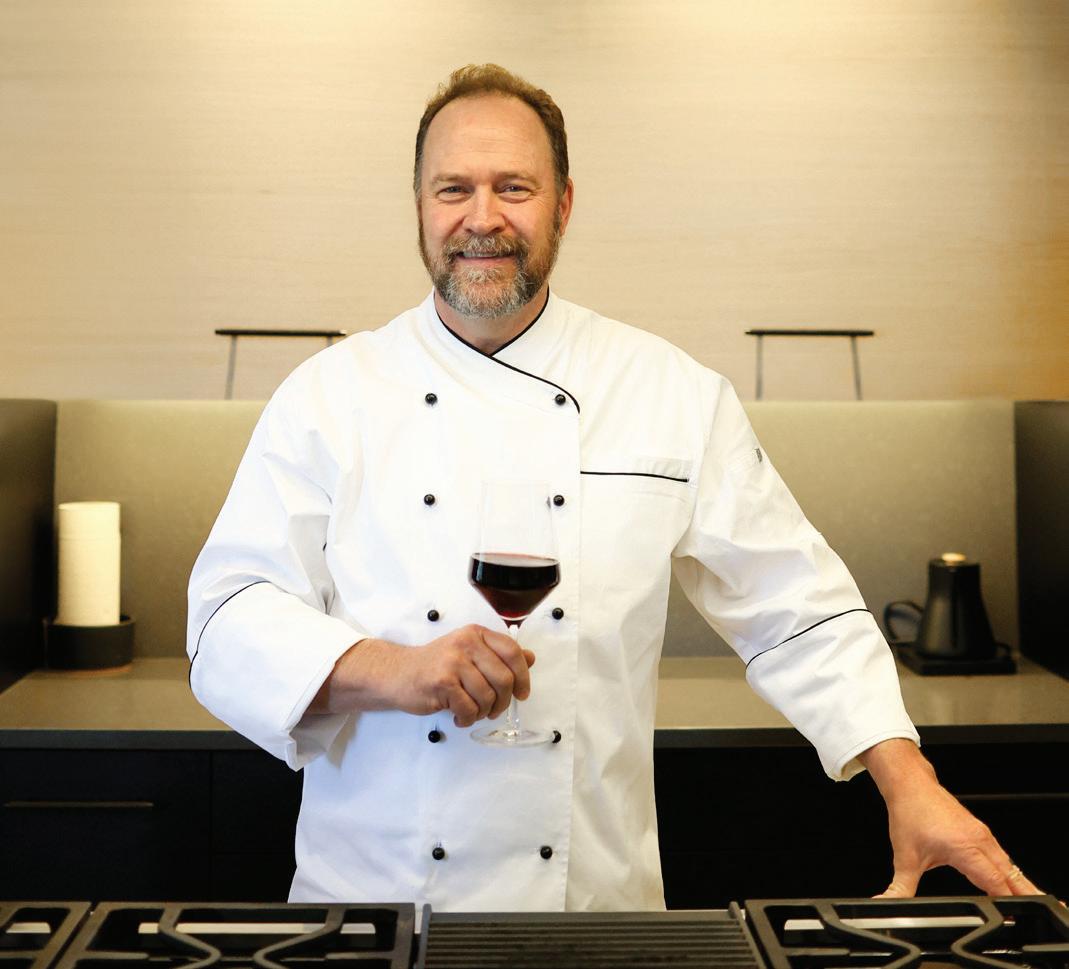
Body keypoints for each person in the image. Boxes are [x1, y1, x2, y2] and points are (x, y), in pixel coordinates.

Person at [187, 63, 1041, 910]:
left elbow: (794, 604)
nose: (481, 218)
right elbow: (226, 618)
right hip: (371, 906)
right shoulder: (330, 395)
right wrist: (394, 670)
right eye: (453, 189)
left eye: (513, 187)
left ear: (562, 204)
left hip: (591, 910)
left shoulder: (667, 391)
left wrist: (909, 782)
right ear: (418, 206)